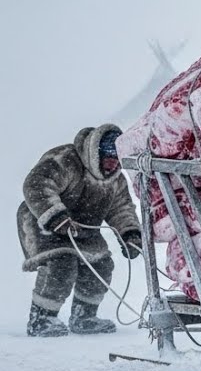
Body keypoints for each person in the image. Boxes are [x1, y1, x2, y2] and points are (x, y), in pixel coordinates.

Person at [17, 123, 143, 337]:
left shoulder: (115, 181)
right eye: (108, 158)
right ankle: (41, 318)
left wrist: (129, 233)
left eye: (117, 159)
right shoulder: (65, 159)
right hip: (43, 221)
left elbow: (121, 208)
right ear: (96, 152)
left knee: (101, 265)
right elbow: (37, 184)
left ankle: (83, 316)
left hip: (82, 229)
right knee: (62, 263)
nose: (113, 165)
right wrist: (55, 215)